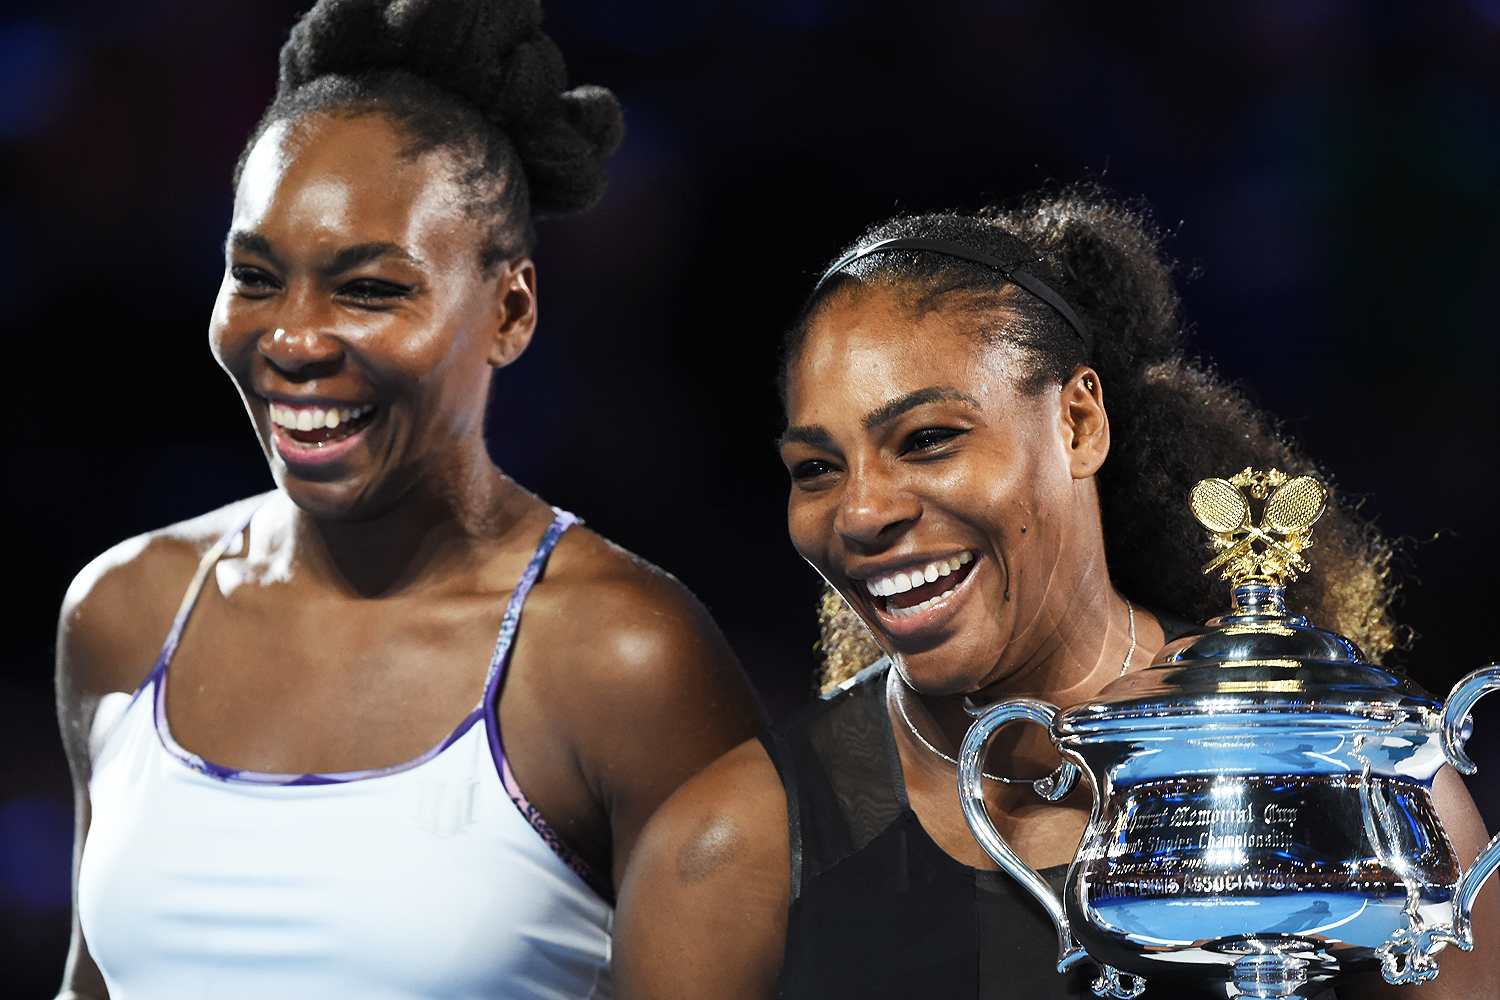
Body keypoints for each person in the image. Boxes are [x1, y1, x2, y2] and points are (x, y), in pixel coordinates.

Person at [613, 189, 1499, 999]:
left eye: (926, 439)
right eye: (816, 468)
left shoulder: (1343, 768)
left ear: (1078, 423)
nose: (861, 513)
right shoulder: (724, 855)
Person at [54, 2, 765, 997]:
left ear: (510, 310)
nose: (293, 340)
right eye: (255, 276)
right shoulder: (122, 612)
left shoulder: (623, 659)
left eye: (370, 289)